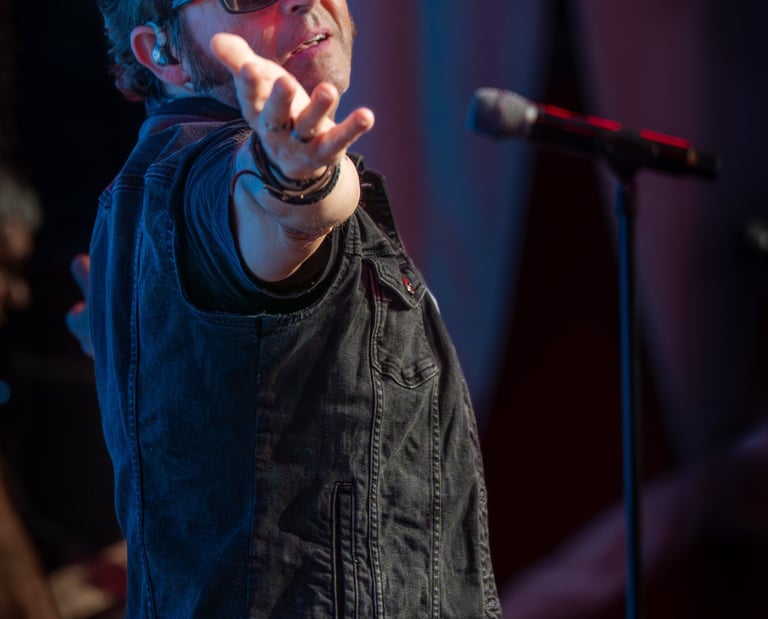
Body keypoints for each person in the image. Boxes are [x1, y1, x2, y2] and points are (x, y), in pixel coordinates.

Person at [81, 0, 501, 616]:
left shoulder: (148, 199)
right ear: (164, 54)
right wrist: (298, 181)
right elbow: (262, 210)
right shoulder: (207, 173)